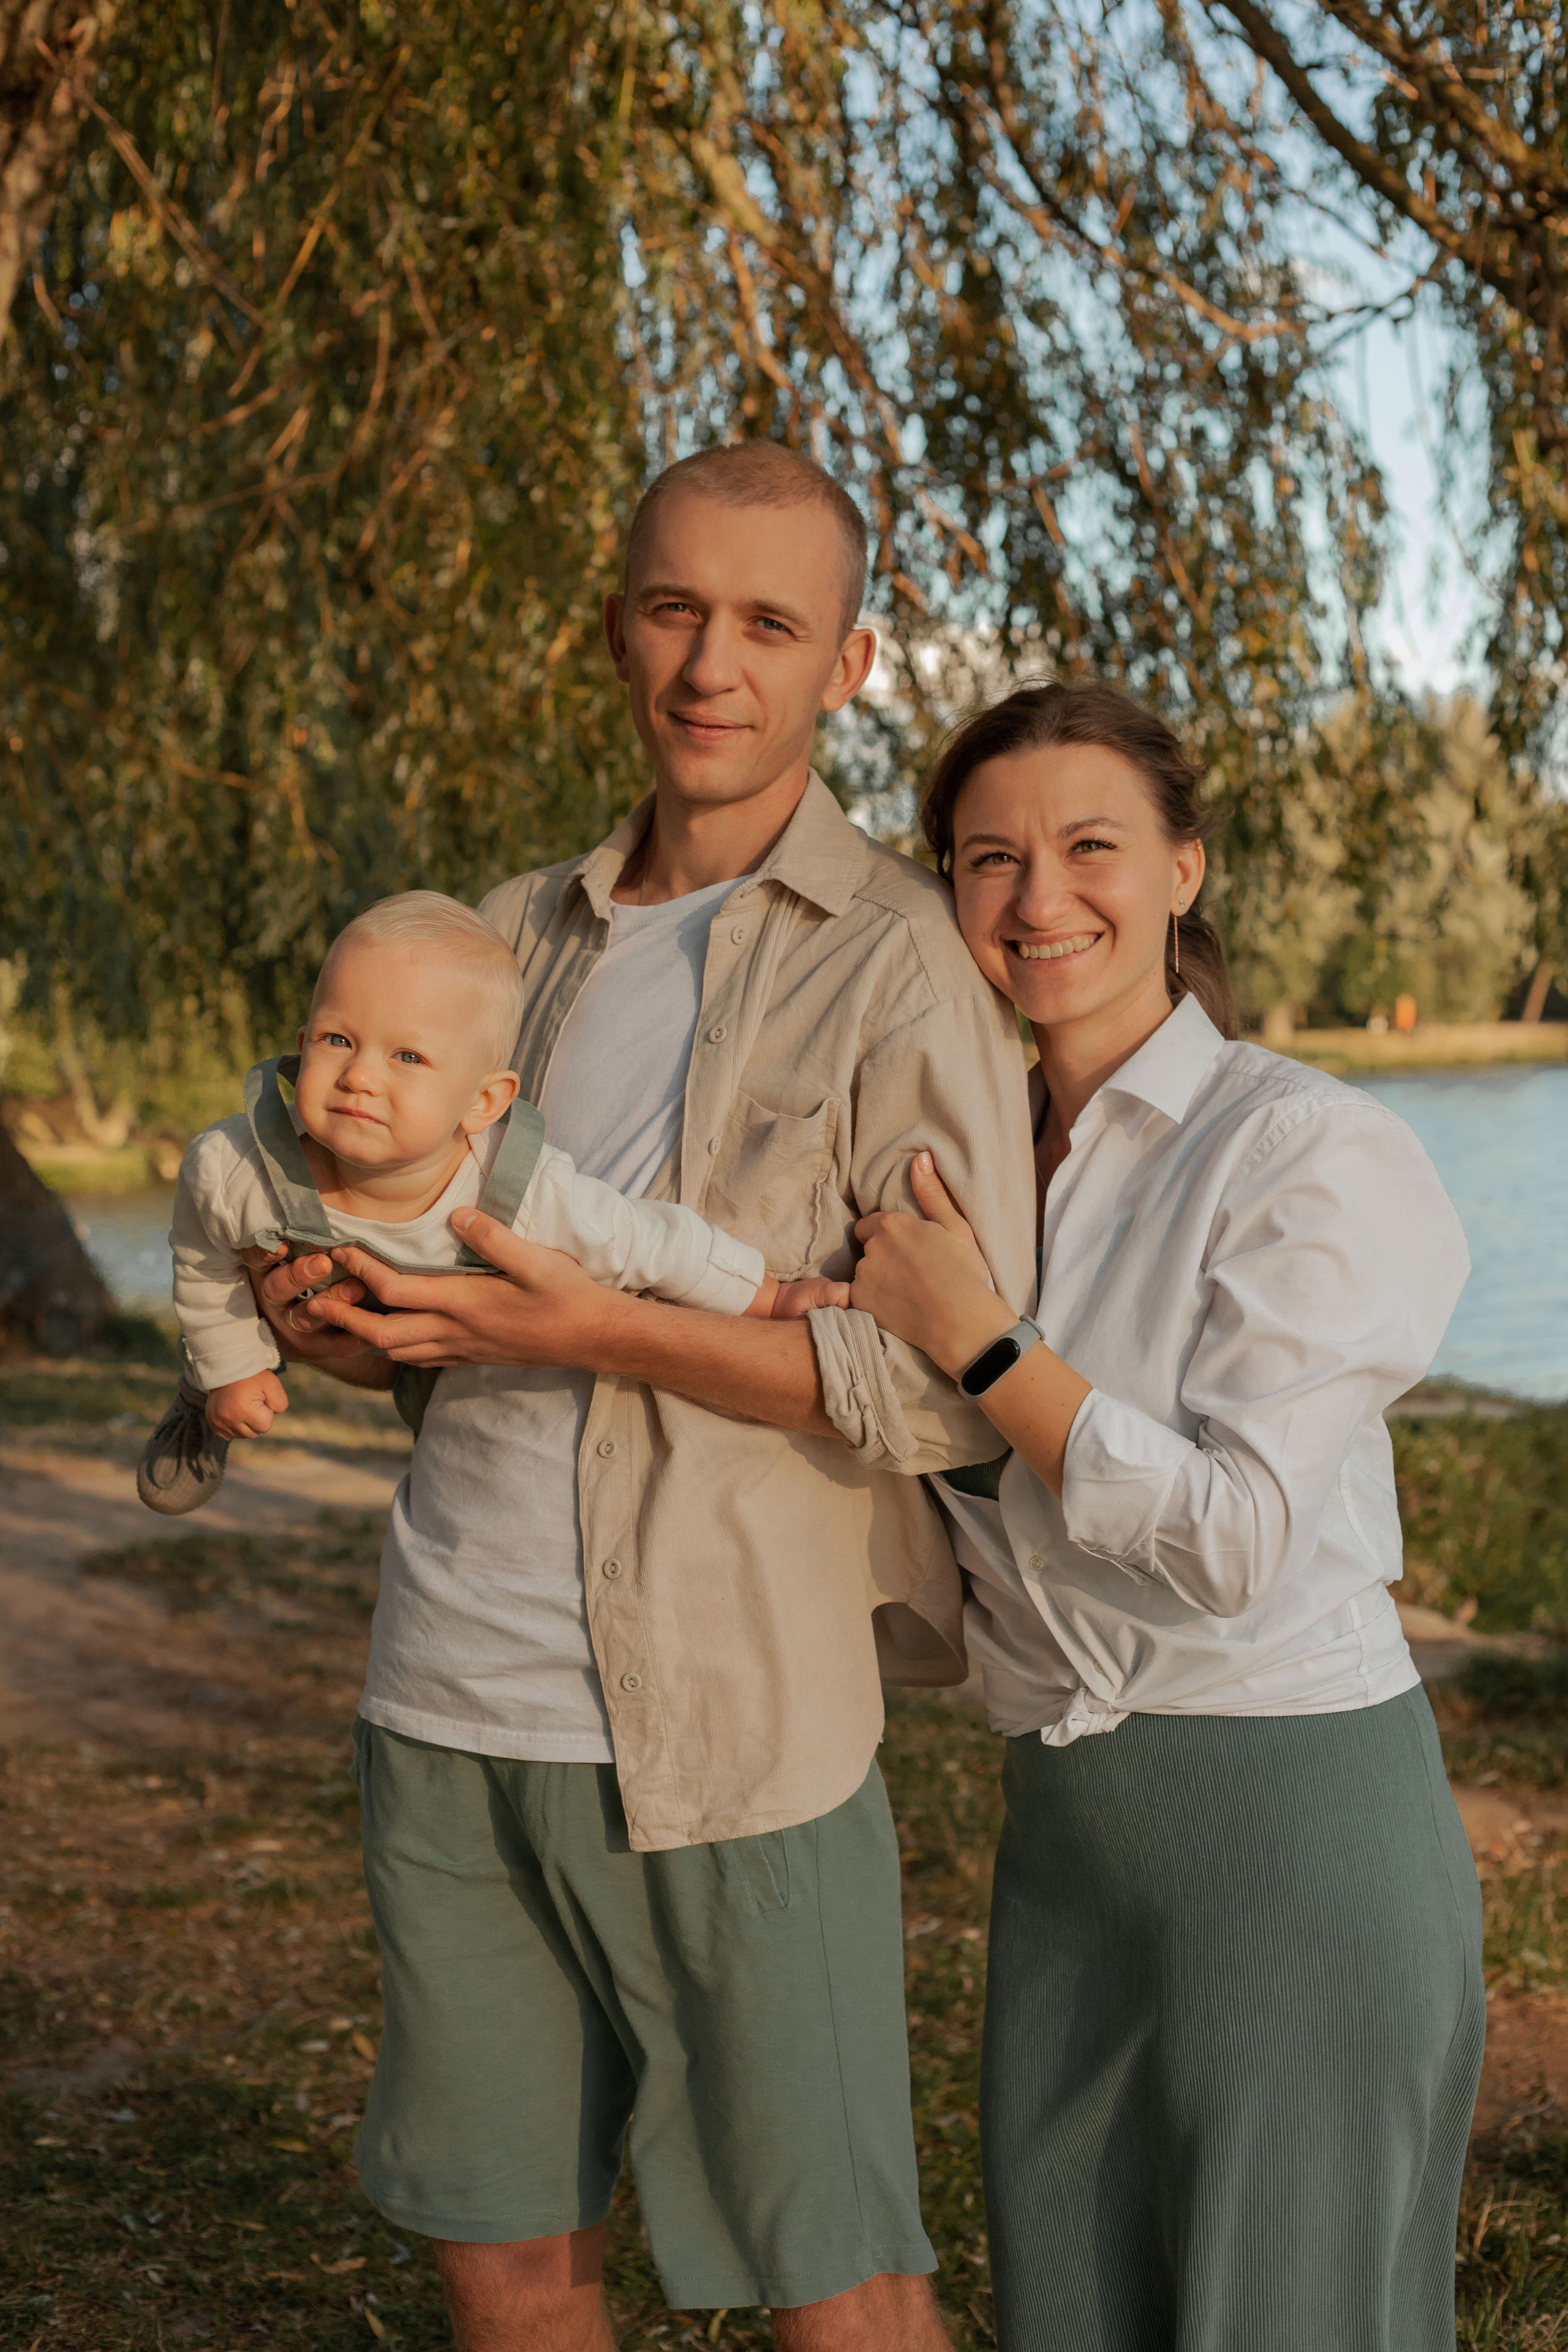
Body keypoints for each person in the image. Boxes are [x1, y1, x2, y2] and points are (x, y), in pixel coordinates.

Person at [251, 445, 1037, 2351]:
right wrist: (339, 1312)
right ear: (618, 624)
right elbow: (423, 1277)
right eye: (675, 606)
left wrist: (587, 1325)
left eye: (768, 622)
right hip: (449, 1692)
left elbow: (933, 1395)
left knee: (833, 2269)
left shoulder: (901, 962)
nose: (711, 661)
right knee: (502, 2243)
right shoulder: (497, 941)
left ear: (848, 662)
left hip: (729, 1733)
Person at [847, 680, 1485, 2352]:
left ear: (1185, 869)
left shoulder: (1302, 1149)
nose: (1040, 899)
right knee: (1078, 2300)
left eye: (1090, 847)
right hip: (1067, 1830)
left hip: (1287, 1818)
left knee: (1294, 2309)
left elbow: (1234, 1536)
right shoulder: (944, 1169)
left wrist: (983, 1344)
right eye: (990, 858)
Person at [136, 890, 840, 1514]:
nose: (359, 1076)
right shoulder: (238, 1167)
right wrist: (235, 1364)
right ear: (301, 1046)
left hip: (441, 1351)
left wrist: (768, 1298)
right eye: (337, 1039)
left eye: (407, 1057)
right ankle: (203, 1402)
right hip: (291, 1298)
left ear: (483, 1102)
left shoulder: (520, 1195)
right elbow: (203, 1257)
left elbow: (651, 1242)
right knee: (227, 1346)